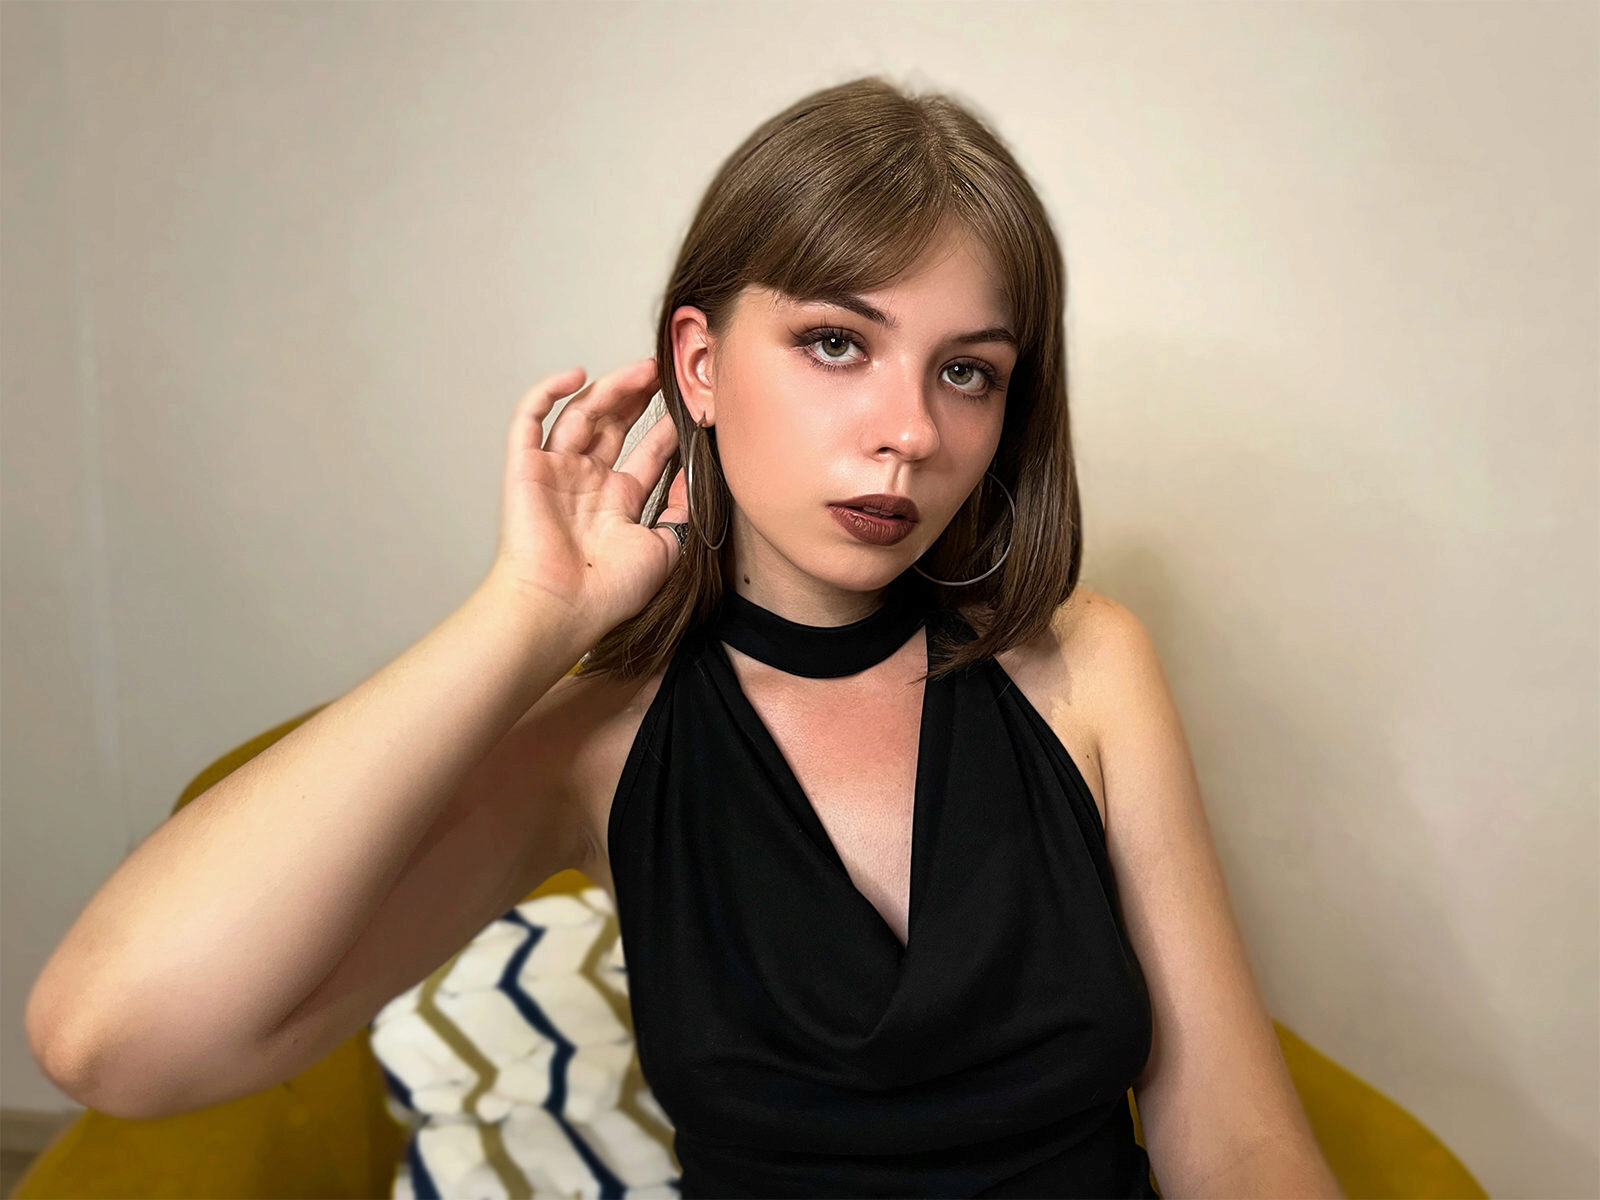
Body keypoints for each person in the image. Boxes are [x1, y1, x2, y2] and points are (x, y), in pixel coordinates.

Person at [26, 76, 1341, 1198]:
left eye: (966, 371)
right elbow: (109, 1038)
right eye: (838, 343)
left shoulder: (1083, 664)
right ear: (700, 365)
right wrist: (526, 616)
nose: (910, 432)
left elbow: (1235, 1143)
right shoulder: (605, 744)